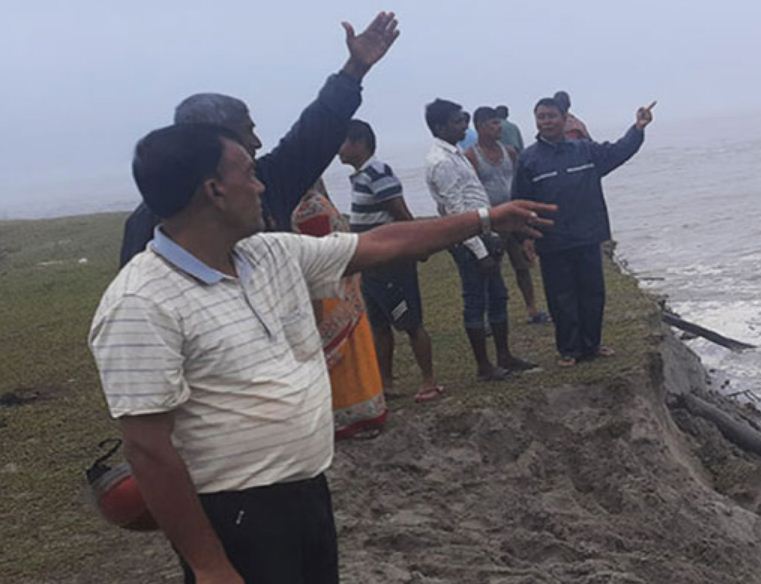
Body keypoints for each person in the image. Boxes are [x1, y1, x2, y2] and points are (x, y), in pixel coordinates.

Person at [90, 123, 554, 583]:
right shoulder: (141, 302)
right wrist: (209, 565)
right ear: (214, 191)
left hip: (306, 494)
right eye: (249, 174)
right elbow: (147, 449)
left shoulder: (268, 254)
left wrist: (486, 219)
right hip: (233, 515)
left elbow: (381, 243)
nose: (260, 186)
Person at [118, 11, 400, 268]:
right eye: (246, 131)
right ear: (210, 143)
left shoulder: (266, 182)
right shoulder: (150, 228)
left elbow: (313, 134)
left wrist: (354, 70)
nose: (257, 142)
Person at [512, 97, 654, 366]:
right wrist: (526, 237)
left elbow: (618, 151)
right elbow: (519, 201)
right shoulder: (528, 159)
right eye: (541, 117)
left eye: (552, 116)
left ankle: (592, 344)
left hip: (587, 234)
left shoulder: (585, 151)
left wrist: (638, 128)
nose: (547, 121)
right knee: (560, 296)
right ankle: (569, 350)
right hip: (552, 239)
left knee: (592, 293)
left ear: (565, 119)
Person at [423, 99, 538, 381]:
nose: (463, 125)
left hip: (485, 233)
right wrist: (479, 250)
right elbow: (455, 209)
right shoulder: (441, 161)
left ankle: (504, 355)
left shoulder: (456, 153)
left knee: (498, 295)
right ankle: (484, 365)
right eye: (457, 120)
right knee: (475, 301)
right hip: (467, 240)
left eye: (463, 119)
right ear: (440, 127)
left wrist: (490, 235)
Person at [338, 119, 444, 402]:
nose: (338, 149)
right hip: (371, 266)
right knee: (380, 324)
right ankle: (385, 383)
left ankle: (428, 381)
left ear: (358, 143)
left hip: (391, 264)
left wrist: (418, 244)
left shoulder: (377, 172)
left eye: (342, 141)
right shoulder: (361, 176)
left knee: (410, 322)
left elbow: (400, 212)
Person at [290, 179, 387, 439]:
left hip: (336, 289)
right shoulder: (314, 208)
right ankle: (358, 414)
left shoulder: (310, 208)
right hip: (336, 290)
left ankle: (354, 415)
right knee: (348, 353)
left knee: (348, 353)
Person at [465, 106, 549, 325]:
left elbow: (521, 180)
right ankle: (489, 315)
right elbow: (472, 188)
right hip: (491, 219)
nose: (498, 127)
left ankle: (532, 310)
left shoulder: (509, 152)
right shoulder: (472, 156)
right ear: (480, 127)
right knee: (492, 267)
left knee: (523, 265)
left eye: (498, 123)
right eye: (493, 123)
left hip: (514, 216)